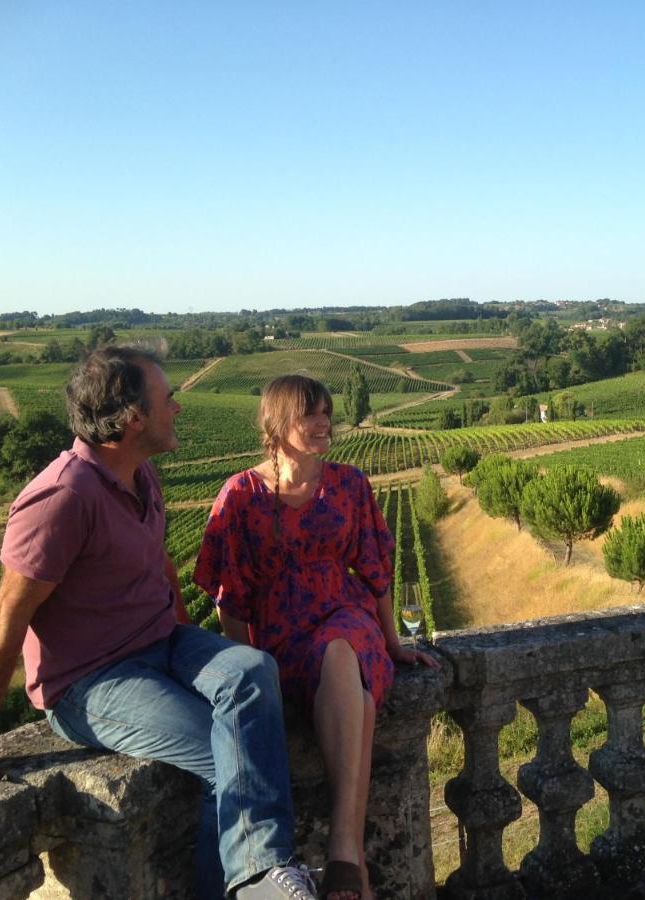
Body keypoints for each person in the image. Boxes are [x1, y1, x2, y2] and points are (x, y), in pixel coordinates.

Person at [0, 346, 316, 900]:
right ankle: (251, 883)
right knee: (219, 748)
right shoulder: (61, 498)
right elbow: (5, 620)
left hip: (161, 643)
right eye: (167, 399)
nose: (178, 408)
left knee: (251, 668)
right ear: (134, 419)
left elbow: (159, 566)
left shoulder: (139, 474)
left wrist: (193, 652)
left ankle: (258, 873)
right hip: (90, 681)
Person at [193, 374, 438, 900]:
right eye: (311, 414)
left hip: (346, 616)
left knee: (342, 648)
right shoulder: (241, 495)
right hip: (280, 636)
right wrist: (249, 671)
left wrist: (394, 644)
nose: (325, 422)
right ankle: (354, 872)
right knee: (357, 701)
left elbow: (375, 570)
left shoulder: (349, 484)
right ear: (278, 423)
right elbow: (229, 596)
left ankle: (344, 854)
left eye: (328, 412)